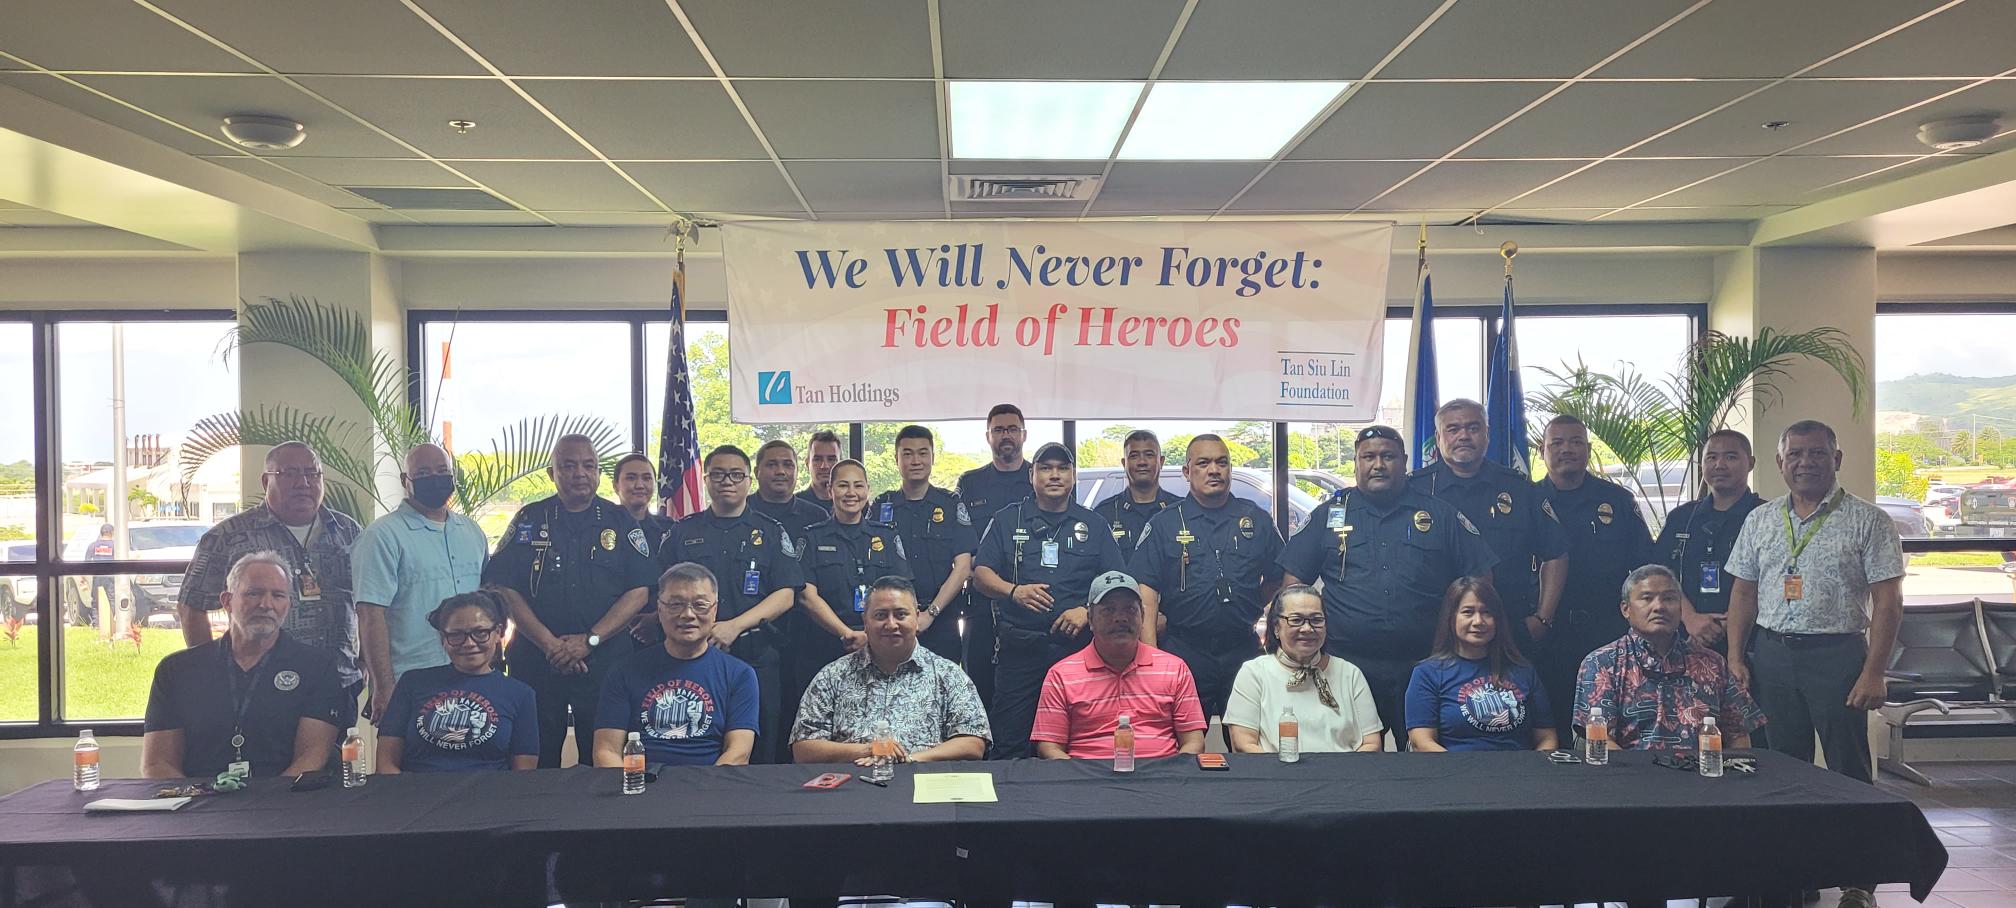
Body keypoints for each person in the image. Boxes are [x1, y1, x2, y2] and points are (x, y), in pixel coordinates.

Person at [1279, 425, 1497, 742]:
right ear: (1356, 462)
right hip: (1347, 666)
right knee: (1354, 758)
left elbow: (1480, 579)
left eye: (1388, 456)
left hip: (1426, 664)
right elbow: (1294, 583)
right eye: (1368, 457)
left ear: (1405, 460)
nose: (1378, 465)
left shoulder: (1438, 514)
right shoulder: (1330, 514)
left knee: (1426, 760)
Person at [1726, 419, 1904, 785]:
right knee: (1781, 763)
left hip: (1838, 658)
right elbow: (1744, 592)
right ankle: (1790, 838)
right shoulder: (1760, 520)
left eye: (1817, 453)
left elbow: (1888, 602)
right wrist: (1735, 656)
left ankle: (1856, 839)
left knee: (1847, 763)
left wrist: (1874, 672)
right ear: (1780, 463)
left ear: (1836, 459)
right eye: (1795, 454)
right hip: (1773, 657)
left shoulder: (1869, 521)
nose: (1805, 462)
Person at [484, 434, 659, 767]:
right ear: (552, 473)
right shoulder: (528, 519)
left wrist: (589, 641)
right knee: (535, 760)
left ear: (598, 472)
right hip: (537, 659)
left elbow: (639, 590)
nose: (580, 473)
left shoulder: (621, 521)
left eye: (588, 465)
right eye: (569, 465)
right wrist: (551, 644)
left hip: (605, 660)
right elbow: (504, 587)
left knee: (603, 761)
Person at [179, 441, 365, 724]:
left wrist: (364, 665)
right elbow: (191, 605)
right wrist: (212, 670)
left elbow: (370, 603)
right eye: (289, 473)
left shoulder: (348, 531)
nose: (303, 483)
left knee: (331, 766)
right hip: (258, 684)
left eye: (312, 474)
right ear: (266, 480)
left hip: (337, 683)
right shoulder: (229, 536)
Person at [973, 442, 1128, 758]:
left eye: (1062, 468)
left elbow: (1117, 584)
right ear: (1031, 475)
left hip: (1078, 653)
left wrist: (1088, 610)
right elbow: (981, 574)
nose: (1054, 475)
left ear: (1073, 476)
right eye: (1045, 468)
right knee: (1011, 743)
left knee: (1080, 740)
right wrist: (1013, 591)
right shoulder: (1007, 520)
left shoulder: (1094, 525)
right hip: (1020, 651)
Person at [142, 551, 344, 779]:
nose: (266, 604)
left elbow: (311, 758)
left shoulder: (317, 668)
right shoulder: (176, 671)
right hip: (198, 804)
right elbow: (158, 764)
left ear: (288, 604)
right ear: (227, 601)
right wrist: (198, 804)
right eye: (253, 593)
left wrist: (265, 805)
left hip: (284, 802)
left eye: (278, 596)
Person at [665, 444, 806, 763]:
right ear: (706, 480)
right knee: (694, 736)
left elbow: (786, 594)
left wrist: (733, 627)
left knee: (761, 746)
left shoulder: (770, 531)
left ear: (748, 480)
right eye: (718, 474)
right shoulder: (683, 532)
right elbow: (663, 591)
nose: (727, 481)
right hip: (692, 659)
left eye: (735, 474)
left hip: (756, 656)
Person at [1131, 434, 1284, 719]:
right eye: (1204, 463)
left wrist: (1251, 605)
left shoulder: (1256, 520)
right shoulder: (1164, 524)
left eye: (1222, 462)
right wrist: (1151, 659)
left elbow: (1278, 579)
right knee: (1181, 743)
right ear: (1187, 472)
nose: (1214, 470)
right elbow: (1146, 595)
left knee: (1253, 743)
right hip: (1184, 650)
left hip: (1243, 649)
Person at [1411, 399, 1569, 650]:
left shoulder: (1519, 489)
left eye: (1473, 428)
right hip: (1432, 630)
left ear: (1487, 435)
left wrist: (1543, 618)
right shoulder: (1414, 491)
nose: (1463, 436)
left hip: (1507, 629)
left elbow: (1556, 553)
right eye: (1453, 429)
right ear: (1438, 437)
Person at [1535, 414, 1654, 738]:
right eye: (1556, 443)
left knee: (1609, 729)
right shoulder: (1528, 502)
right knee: (1549, 729)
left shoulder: (1616, 500)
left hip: (1607, 633)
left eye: (1575, 442)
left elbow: (1645, 568)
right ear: (1542, 450)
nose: (1566, 449)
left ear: (1588, 449)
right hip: (1547, 636)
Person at [790, 576, 990, 764]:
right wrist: (869, 750)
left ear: (917, 618)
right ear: (865, 621)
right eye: (880, 615)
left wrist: (909, 759)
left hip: (924, 787)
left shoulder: (948, 675)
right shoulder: (832, 677)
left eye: (901, 614)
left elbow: (973, 743)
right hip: (851, 789)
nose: (891, 624)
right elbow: (803, 749)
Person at [354, 443, 488, 722]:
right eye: (423, 473)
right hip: (410, 682)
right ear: (406, 481)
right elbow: (370, 615)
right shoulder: (382, 536)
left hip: (472, 677)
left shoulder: (472, 532)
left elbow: (487, 601)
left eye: (442, 471)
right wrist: (383, 686)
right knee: (410, 764)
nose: (435, 478)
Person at [1575, 564, 1764, 750]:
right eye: (1647, 598)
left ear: (1681, 609)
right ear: (1626, 609)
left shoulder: (1713, 664)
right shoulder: (1601, 664)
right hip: (1629, 776)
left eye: (1669, 599)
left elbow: (1738, 734)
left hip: (1703, 775)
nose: (1659, 607)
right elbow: (1599, 740)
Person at [790, 459, 912, 741]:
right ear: (829, 489)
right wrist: (847, 633)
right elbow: (807, 595)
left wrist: (870, 635)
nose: (851, 492)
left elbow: (901, 590)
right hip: (824, 644)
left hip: (880, 645)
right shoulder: (811, 537)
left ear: (868, 490)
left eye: (858, 485)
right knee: (822, 725)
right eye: (843, 485)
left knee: (874, 722)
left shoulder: (886, 535)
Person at [593, 562, 759, 768]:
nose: (687, 615)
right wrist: (630, 789)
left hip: (710, 787)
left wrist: (705, 792)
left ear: (714, 610)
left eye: (699, 605)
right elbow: (606, 751)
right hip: (639, 787)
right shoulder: (623, 671)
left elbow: (738, 753)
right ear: (659, 609)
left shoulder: (739, 675)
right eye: (675, 604)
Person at [1031, 571, 1206, 760]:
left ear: (1142, 616)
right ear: (1090, 619)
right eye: (1108, 610)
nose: (1120, 618)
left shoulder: (1174, 669)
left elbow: (1194, 742)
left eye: (1130, 609)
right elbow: (1049, 748)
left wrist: (1172, 775)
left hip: (1160, 779)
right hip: (1087, 781)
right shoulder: (1061, 675)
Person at [375, 590, 539, 773]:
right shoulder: (411, 683)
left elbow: (523, 776)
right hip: (416, 796)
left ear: (498, 633)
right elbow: (386, 764)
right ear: (443, 639)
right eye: (456, 635)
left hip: (489, 797)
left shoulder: (521, 694)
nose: (469, 643)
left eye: (480, 632)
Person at [1405, 577, 1558, 752]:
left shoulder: (1524, 670)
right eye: (1468, 612)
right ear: (1451, 618)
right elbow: (1421, 740)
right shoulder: (1427, 673)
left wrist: (1536, 771)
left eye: (1487, 612)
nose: (1478, 621)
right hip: (1453, 773)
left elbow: (1547, 737)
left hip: (1519, 774)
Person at [1224, 585, 1382, 753]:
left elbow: (1372, 743)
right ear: (1276, 627)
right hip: (1276, 775)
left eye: (1316, 620)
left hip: (1344, 776)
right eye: (1296, 620)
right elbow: (1243, 743)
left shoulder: (1350, 673)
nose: (1307, 628)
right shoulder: (1254, 673)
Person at [870, 425, 978, 663]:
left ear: (932, 457)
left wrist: (930, 613)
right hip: (891, 624)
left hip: (940, 620)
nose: (915, 460)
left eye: (922, 453)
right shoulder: (881, 506)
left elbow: (962, 568)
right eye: (907, 453)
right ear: (896, 459)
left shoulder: (950, 504)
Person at [1654, 430, 1767, 653]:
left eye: (1731, 457)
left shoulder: (1767, 516)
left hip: (1751, 643)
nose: (1720, 465)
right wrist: (1690, 618)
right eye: (1711, 457)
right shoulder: (1682, 517)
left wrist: (1733, 622)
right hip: (1685, 639)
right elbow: (1659, 572)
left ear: (1751, 463)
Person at [958, 402, 1035, 708]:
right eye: (999, 429)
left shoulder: (1038, 477)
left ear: (1024, 435)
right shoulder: (971, 483)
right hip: (982, 601)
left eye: (1012, 429)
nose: (1006, 436)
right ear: (988, 436)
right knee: (979, 682)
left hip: (1028, 602)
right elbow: (964, 543)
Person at [1092, 429, 1180, 551]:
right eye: (1133, 456)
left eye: (1149, 455)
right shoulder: (1104, 513)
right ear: (1124, 463)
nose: (1142, 462)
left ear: (1161, 461)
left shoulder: (1180, 511)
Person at [750, 440, 830, 552]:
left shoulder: (817, 517)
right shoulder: (741, 511)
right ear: (756, 472)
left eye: (788, 465)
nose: (780, 471)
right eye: (772, 465)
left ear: (797, 471)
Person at [613, 452, 676, 549]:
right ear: (615, 485)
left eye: (646, 478)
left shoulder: (669, 529)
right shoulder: (603, 526)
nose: (640, 485)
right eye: (631, 478)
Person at [796, 430, 843, 512]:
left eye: (831, 459)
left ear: (841, 464)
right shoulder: (795, 505)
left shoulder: (853, 504)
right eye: (817, 459)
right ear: (807, 464)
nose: (824, 466)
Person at [85, 523, 115, 627]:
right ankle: (110, 624)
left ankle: (96, 624)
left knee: (95, 601)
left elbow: (86, 562)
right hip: (111, 578)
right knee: (111, 600)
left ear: (101, 533)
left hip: (97, 577)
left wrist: (83, 578)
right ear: (111, 533)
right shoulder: (115, 545)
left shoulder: (92, 545)